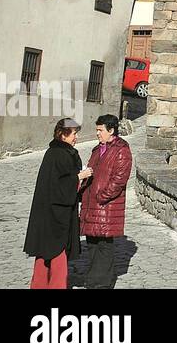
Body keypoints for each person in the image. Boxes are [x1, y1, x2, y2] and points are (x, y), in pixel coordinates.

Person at [24, 118, 92, 289]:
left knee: (44, 250)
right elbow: (58, 185)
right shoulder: (60, 154)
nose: (76, 137)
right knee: (57, 250)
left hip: (50, 211)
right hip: (56, 213)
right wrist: (79, 177)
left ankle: (39, 285)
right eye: (74, 133)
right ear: (63, 134)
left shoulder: (57, 152)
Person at [78, 114, 133, 289]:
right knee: (92, 243)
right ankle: (95, 279)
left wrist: (102, 196)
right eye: (97, 130)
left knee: (103, 245)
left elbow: (119, 179)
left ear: (111, 130)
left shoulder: (121, 150)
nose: (97, 133)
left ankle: (101, 283)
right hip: (91, 204)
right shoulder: (97, 150)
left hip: (106, 205)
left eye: (100, 130)